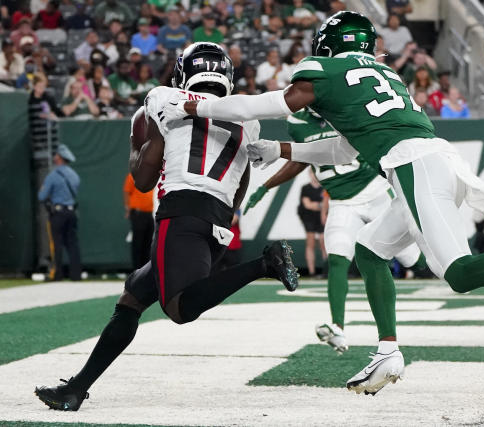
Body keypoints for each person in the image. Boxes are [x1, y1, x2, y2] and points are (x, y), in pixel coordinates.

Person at [163, 12, 484, 396]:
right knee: (370, 249)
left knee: (459, 274)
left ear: (329, 46)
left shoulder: (326, 69)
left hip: (414, 166)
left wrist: (194, 108)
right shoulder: (385, 76)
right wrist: (283, 151)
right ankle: (387, 352)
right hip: (428, 161)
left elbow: (270, 104)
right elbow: (345, 150)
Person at [34, 42, 298, 411]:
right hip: (218, 220)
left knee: (180, 309)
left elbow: (142, 179)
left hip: (181, 213)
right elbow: (239, 188)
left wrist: (146, 138)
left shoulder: (163, 97)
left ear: (183, 71)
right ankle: (76, 388)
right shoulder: (247, 120)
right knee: (132, 298)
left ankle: (264, 264)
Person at [243, 106, 426, 353]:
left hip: (375, 194)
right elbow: (302, 157)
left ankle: (444, 266)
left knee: (413, 260)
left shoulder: (346, 108)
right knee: (338, 257)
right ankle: (337, 327)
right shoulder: (297, 121)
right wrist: (266, 186)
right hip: (340, 201)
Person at [37, 144, 82, 282]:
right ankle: (76, 274)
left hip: (58, 213)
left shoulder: (53, 175)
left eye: (56, 155)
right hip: (71, 212)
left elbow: (42, 196)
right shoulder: (74, 175)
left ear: (60, 158)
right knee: (72, 244)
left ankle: (56, 274)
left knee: (56, 244)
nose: (54, 157)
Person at [297, 168, 326, 276]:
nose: (314, 175)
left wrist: (317, 206)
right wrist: (320, 205)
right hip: (308, 218)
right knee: (311, 242)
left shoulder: (324, 188)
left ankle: (326, 270)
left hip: (322, 217)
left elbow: (327, 204)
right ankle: (311, 271)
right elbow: (307, 205)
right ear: (310, 174)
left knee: (324, 242)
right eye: (312, 173)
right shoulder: (306, 188)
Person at [123, 172, 154, 269]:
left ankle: (145, 271)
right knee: (138, 243)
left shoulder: (151, 176)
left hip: (149, 213)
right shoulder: (133, 175)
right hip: (138, 213)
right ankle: (136, 270)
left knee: (148, 243)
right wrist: (128, 208)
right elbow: (126, 192)